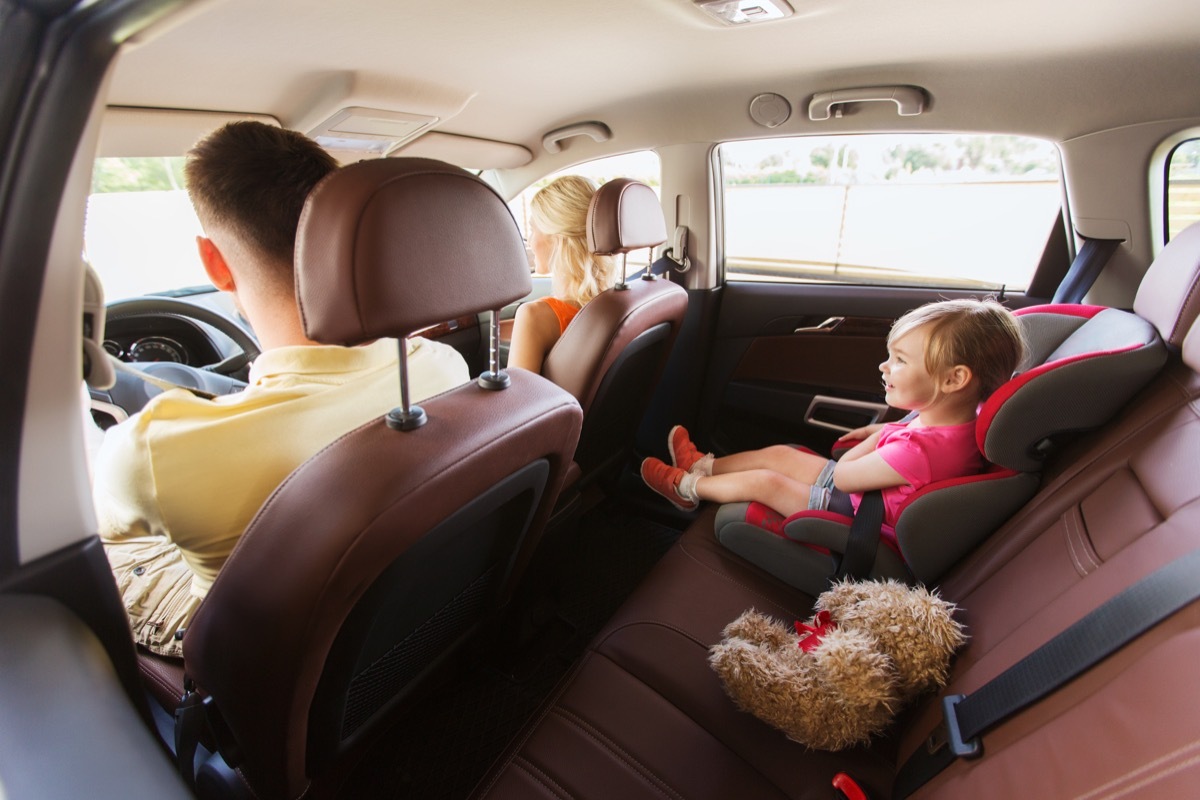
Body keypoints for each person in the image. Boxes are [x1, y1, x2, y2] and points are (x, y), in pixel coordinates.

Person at [94, 121, 470, 657]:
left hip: (262, 663)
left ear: (214, 263)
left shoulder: (154, 451)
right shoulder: (446, 367)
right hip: (397, 627)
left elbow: (92, 526)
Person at [640, 299, 1025, 529]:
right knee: (780, 455)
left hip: (854, 515)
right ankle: (702, 465)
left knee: (765, 482)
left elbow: (843, 474)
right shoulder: (959, 415)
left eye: (900, 360)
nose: (884, 367)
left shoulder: (922, 452)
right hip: (865, 493)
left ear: (955, 379)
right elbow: (912, 435)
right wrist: (885, 430)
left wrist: (877, 437)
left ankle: (687, 489)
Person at [506, 175, 618, 373]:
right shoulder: (618, 303)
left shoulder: (534, 316)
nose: (530, 241)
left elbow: (517, 393)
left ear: (558, 239)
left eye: (533, 229)